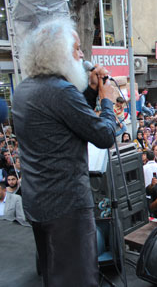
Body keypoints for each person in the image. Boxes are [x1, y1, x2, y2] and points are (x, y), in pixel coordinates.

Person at [12, 19, 116, 287]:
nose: (82, 56)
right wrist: (107, 100)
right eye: (77, 49)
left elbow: (67, 122)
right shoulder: (61, 91)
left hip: (38, 202)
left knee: (54, 274)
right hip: (68, 206)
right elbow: (104, 136)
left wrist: (90, 93)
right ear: (59, 54)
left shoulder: (24, 89)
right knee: (78, 278)